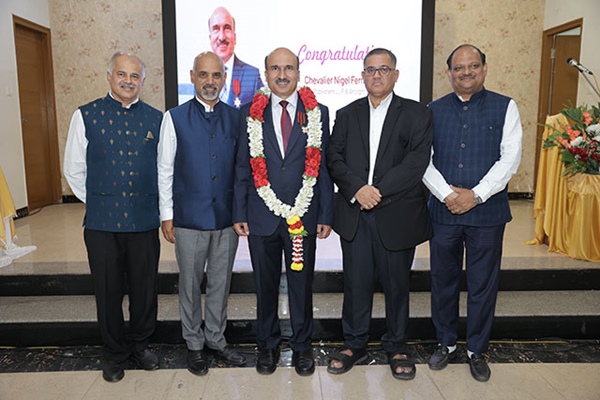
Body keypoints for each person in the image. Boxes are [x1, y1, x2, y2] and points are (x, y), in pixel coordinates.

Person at [326, 48, 433, 380]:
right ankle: (354, 343)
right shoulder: (346, 114)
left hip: (397, 214)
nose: (376, 75)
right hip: (355, 213)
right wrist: (358, 189)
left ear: (395, 75)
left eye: (384, 69)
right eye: (370, 70)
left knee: (397, 285)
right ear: (362, 76)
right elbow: (333, 157)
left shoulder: (416, 114)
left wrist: (378, 191)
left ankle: (397, 345)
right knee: (355, 283)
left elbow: (416, 162)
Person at [422, 44, 522, 382]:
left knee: (483, 284)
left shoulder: (505, 107)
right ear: (449, 73)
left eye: (473, 65)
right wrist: (448, 195)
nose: (466, 72)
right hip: (444, 211)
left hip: (487, 214)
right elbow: (424, 159)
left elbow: (510, 159)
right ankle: (446, 343)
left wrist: (476, 195)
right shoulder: (432, 110)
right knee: (443, 281)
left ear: (484, 68)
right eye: (459, 67)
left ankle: (476, 349)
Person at [233, 47, 334, 376]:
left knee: (301, 285)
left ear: (298, 73)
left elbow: (324, 169)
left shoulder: (318, 112)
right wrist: (239, 212)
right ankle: (267, 345)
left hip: (302, 217)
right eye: (275, 68)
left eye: (288, 68)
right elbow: (242, 167)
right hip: (261, 216)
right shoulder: (249, 113)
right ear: (266, 75)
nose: (282, 74)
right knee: (264, 286)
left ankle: (302, 347)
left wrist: (325, 214)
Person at [63, 52, 163, 382]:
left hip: (144, 221)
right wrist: (101, 199)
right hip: (101, 224)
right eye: (122, 74)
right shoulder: (85, 115)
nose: (128, 81)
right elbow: (73, 169)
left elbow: (165, 169)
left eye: (134, 76)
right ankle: (114, 353)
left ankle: (140, 345)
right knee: (108, 291)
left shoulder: (157, 119)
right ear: (109, 76)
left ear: (142, 81)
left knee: (144, 290)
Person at [157, 51, 246, 376]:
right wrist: (167, 215)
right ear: (192, 77)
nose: (210, 82)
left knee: (221, 284)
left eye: (216, 75)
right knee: (190, 285)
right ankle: (193, 344)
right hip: (188, 219)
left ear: (224, 79)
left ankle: (216, 339)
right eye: (204, 75)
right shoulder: (174, 117)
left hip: (226, 220)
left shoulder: (236, 118)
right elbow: (164, 169)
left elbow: (242, 170)